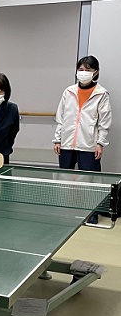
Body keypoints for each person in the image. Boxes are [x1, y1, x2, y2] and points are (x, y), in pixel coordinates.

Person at [53, 55, 112, 224]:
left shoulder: (101, 94)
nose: (83, 73)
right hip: (66, 143)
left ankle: (92, 213)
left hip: (88, 145)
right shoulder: (69, 91)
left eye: (87, 70)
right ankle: (67, 210)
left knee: (90, 181)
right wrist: (57, 139)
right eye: (80, 69)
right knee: (65, 178)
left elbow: (104, 122)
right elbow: (61, 117)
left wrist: (100, 143)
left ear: (95, 72)